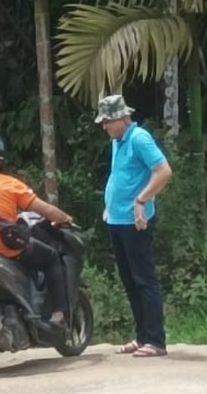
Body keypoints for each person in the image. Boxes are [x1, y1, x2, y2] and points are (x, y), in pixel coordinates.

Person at [0, 133, 73, 326]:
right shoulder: (11, 185)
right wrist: (64, 218)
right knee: (52, 258)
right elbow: (45, 210)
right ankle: (58, 315)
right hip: (5, 250)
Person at [96, 94, 172, 358]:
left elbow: (163, 171)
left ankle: (155, 340)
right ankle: (142, 337)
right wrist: (110, 204)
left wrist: (142, 199)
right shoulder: (118, 140)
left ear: (121, 119)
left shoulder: (139, 138)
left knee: (144, 279)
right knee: (129, 280)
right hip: (117, 220)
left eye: (107, 121)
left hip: (136, 222)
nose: (104, 126)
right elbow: (121, 176)